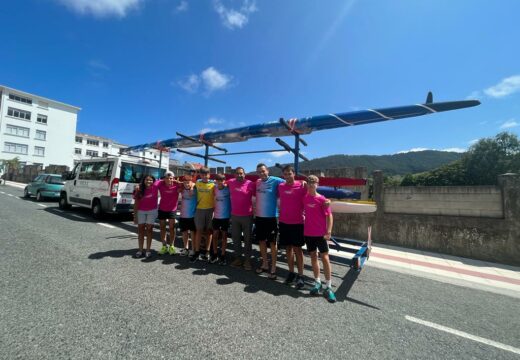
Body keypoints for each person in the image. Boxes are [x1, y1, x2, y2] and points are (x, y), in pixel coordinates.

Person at [303, 175, 336, 303]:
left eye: (314, 182)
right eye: (309, 182)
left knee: (325, 258)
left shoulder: (322, 199)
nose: (311, 184)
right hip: (308, 233)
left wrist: (329, 231)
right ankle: (317, 282)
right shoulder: (304, 198)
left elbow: (330, 216)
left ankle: (328, 286)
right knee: (312, 257)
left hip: (321, 234)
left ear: (317, 184)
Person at [278, 165, 307, 289]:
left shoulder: (301, 185)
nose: (288, 176)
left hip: (297, 223)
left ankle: (300, 275)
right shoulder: (281, 186)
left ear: (294, 174)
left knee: (298, 250)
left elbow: (311, 194)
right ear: (283, 176)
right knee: (288, 250)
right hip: (284, 222)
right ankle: (291, 273)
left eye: (290, 173)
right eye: (285, 174)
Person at [254, 163, 284, 279]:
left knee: (272, 243)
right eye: (259, 172)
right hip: (260, 217)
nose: (261, 173)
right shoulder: (257, 182)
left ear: (268, 171)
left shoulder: (276, 180)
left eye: (263, 171)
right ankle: (265, 264)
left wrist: (302, 183)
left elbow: (290, 183)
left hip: (272, 217)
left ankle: (273, 267)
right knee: (261, 241)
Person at [227, 166, 256, 271]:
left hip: (247, 216)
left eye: (241, 173)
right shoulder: (230, 182)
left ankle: (247, 260)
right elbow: (218, 182)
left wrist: (300, 181)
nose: (239, 175)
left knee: (248, 239)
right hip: (234, 216)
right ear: (235, 175)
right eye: (237, 173)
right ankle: (238, 259)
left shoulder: (251, 184)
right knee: (236, 239)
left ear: (245, 174)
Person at [192, 167, 215, 262]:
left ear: (209, 175)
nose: (205, 176)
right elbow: (187, 185)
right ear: (200, 175)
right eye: (203, 174)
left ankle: (207, 251)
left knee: (209, 232)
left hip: (210, 210)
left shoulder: (213, 184)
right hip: (199, 210)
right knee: (199, 231)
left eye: (206, 174)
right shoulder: (197, 183)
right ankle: (197, 252)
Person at [133, 174, 159, 258]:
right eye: (147, 180)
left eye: (151, 180)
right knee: (140, 230)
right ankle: (140, 250)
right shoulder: (139, 189)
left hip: (152, 211)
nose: (149, 181)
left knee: (149, 230)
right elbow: (136, 203)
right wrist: (135, 216)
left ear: (153, 181)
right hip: (141, 211)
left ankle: (148, 250)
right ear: (144, 181)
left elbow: (167, 180)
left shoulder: (156, 187)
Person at [157, 171, 181, 256]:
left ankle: (172, 245)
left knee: (172, 228)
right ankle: (164, 245)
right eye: (167, 178)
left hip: (172, 209)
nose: (168, 180)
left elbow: (188, 184)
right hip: (162, 209)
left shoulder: (177, 184)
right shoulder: (161, 184)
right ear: (164, 178)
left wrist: (179, 182)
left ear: (173, 178)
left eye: (170, 178)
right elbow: (152, 183)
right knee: (162, 227)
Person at [211, 174, 231, 264]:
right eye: (218, 180)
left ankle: (223, 255)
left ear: (224, 181)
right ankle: (215, 254)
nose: (220, 182)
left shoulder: (228, 189)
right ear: (216, 181)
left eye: (222, 180)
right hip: (216, 216)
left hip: (225, 217)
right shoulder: (214, 188)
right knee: (214, 236)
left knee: (224, 237)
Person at [179, 170, 197, 257]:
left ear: (192, 179)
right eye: (185, 182)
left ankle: (193, 249)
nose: (187, 183)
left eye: (188, 182)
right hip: (183, 215)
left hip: (192, 215)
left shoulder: (195, 187)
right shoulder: (181, 188)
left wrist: (193, 186)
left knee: (193, 233)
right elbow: (173, 182)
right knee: (184, 232)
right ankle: (185, 248)